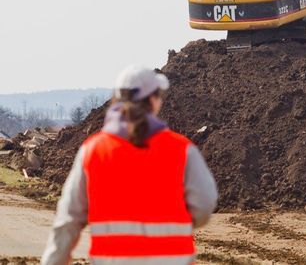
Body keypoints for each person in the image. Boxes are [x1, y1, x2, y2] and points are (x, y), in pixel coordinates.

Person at [41, 65, 218, 265]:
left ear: (117, 99)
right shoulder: (181, 150)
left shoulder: (93, 151)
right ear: (153, 100)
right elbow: (204, 207)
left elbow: (68, 221)